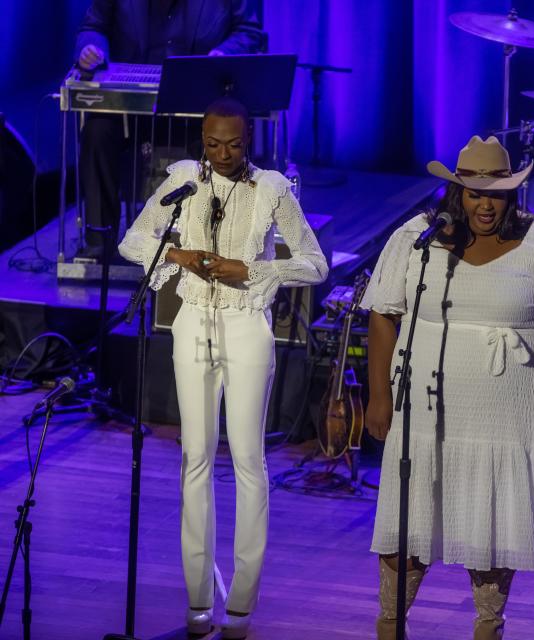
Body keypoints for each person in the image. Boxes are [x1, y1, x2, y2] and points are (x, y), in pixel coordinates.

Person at [360, 135, 534, 639]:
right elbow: (384, 314)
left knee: (494, 527)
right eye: (475, 193)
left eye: (496, 194)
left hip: (507, 411)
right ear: (457, 193)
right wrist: (380, 395)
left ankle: (488, 626)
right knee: (409, 521)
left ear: (511, 195)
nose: (485, 204)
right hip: (426, 409)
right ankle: (390, 623)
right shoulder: (419, 239)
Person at [118, 97, 328, 638]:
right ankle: (197, 599)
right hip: (192, 323)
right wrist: (179, 256)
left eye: (233, 143)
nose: (224, 153)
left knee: (249, 460)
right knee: (195, 457)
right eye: (214, 144)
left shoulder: (271, 189)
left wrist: (253, 269)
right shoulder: (185, 181)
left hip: (246, 325)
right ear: (202, 142)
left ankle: (241, 599)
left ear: (249, 140)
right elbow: (135, 240)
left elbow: (314, 262)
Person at [74, 0, 264, 259]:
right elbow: (93, 27)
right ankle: (99, 239)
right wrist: (90, 48)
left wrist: (224, 53)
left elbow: (248, 31)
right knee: (97, 131)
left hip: (198, 101)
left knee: (221, 136)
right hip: (131, 104)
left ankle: (208, 239)